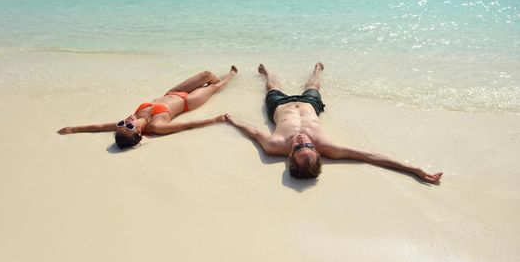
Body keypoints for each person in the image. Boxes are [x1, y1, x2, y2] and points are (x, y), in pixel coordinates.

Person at [224, 63, 442, 183]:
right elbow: (370, 156)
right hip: (309, 105)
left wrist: (234, 121)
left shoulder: (275, 146)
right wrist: (413, 169)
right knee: (314, 86)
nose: (303, 141)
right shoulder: (327, 147)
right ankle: (316, 71)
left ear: (290, 155)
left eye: (299, 147)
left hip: (280, 106)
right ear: (317, 152)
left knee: (272, 87)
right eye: (307, 146)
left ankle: (268, 74)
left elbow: (253, 132)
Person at [58, 66, 238, 149]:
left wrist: (73, 128)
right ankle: (230, 77)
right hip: (188, 102)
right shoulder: (156, 126)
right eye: (129, 126)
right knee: (212, 88)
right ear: (139, 134)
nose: (126, 122)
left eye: (122, 123)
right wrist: (215, 119)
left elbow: (99, 127)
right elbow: (187, 124)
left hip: (173, 91)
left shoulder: (133, 120)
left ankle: (220, 79)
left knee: (207, 74)